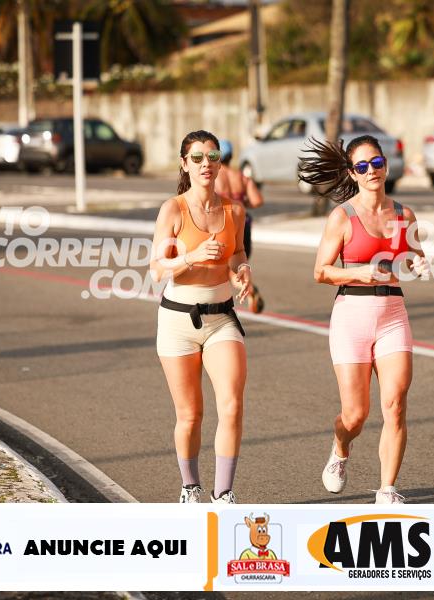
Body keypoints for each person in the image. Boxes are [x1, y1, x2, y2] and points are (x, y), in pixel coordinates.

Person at [299, 134, 428, 504]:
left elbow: (413, 256)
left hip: (392, 315)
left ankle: (387, 490)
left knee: (396, 405)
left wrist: (418, 263)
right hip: (351, 317)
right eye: (362, 166)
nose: (371, 170)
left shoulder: (404, 215)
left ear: (385, 165)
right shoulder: (342, 217)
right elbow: (321, 272)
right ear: (352, 173)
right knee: (355, 415)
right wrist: (359, 273)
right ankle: (340, 448)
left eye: (377, 163)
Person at [150, 130, 253, 504]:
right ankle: (189, 486)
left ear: (220, 162)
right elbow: (156, 269)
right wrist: (191, 257)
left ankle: (223, 493)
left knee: (232, 406)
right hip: (178, 321)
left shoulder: (234, 211)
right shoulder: (173, 210)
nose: (205, 164)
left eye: (212, 156)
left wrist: (242, 270)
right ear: (185, 164)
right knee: (190, 415)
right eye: (197, 158)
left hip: (221, 319)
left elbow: (237, 252)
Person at [214, 139, 265, 312]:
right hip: (243, 224)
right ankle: (248, 290)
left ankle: (247, 290)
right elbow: (257, 200)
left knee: (224, 270)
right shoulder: (242, 177)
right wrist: (241, 204)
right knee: (238, 265)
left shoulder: (213, 176)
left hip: (224, 224)